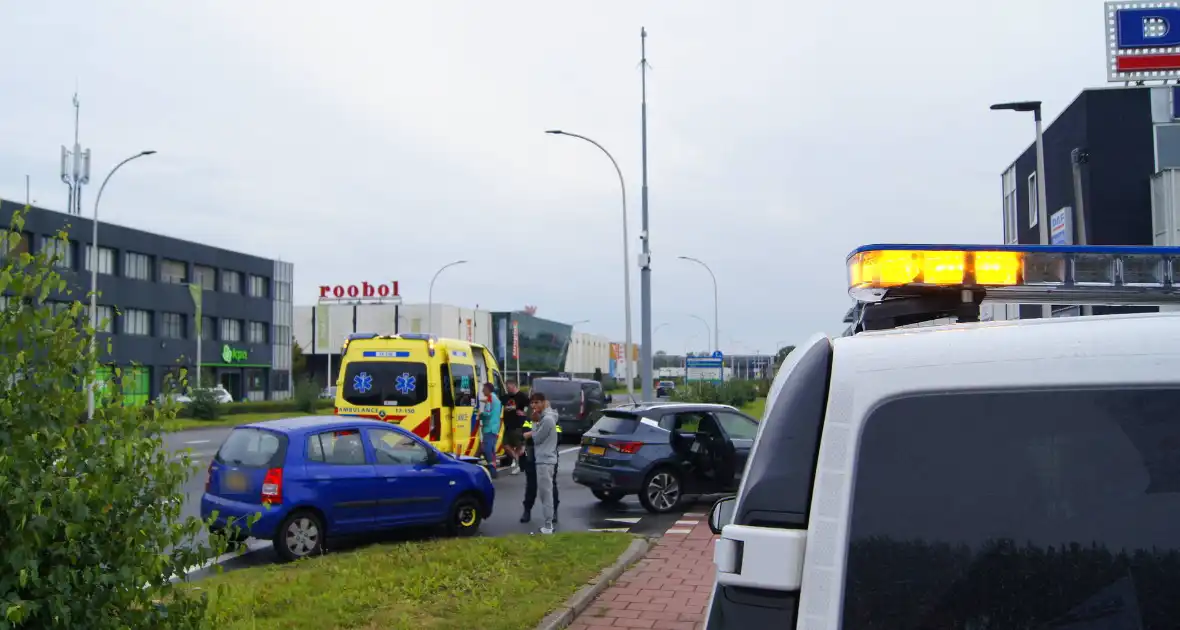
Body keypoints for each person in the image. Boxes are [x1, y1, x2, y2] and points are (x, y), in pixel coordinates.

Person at [523, 391, 559, 534]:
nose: (534, 405)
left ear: (544, 403)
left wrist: (534, 422)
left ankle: (548, 526)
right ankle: (548, 524)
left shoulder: (547, 419)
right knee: (545, 492)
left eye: (537, 402)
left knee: (546, 494)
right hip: (545, 459)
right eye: (532, 403)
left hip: (545, 460)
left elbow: (537, 439)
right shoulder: (547, 417)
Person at [501, 380, 529, 474]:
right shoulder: (506, 397)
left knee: (519, 446)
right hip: (508, 425)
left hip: (518, 426)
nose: (508, 389)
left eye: (509, 387)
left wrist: (524, 413)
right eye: (507, 388)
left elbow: (530, 407)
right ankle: (516, 461)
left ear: (514, 386)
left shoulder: (522, 396)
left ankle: (517, 463)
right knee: (506, 445)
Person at [477, 382, 502, 478]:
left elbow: (487, 414)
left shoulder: (490, 399)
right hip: (494, 428)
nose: (482, 391)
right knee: (491, 450)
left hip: (489, 428)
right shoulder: (495, 398)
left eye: (483, 389)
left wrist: (480, 415)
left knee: (487, 450)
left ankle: (492, 470)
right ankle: (493, 471)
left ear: (488, 389)